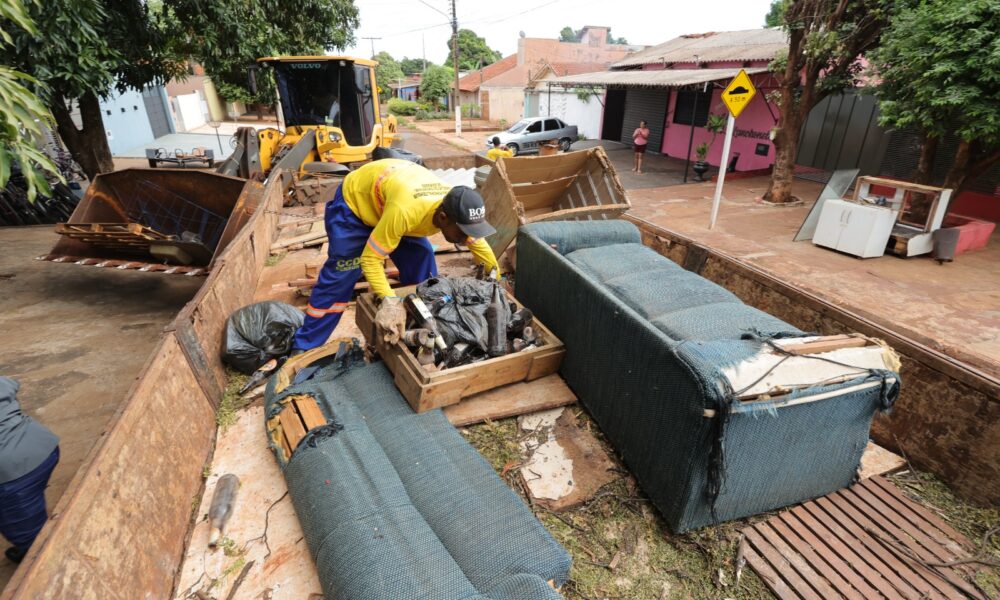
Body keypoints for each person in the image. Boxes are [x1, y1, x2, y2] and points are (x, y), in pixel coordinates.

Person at [291, 159, 501, 352]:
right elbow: (370, 259)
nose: (467, 239)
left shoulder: (457, 210)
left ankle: (422, 329)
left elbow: (481, 249)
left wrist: (496, 283)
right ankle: (305, 344)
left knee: (423, 260)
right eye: (464, 233)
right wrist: (390, 301)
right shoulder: (406, 212)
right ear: (443, 217)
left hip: (392, 202)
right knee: (342, 275)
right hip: (354, 206)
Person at [0, 377, 59, 564]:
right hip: (43, 447)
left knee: (38, 550)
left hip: (13, 474)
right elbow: (11, 384)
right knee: (30, 500)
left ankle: (32, 548)